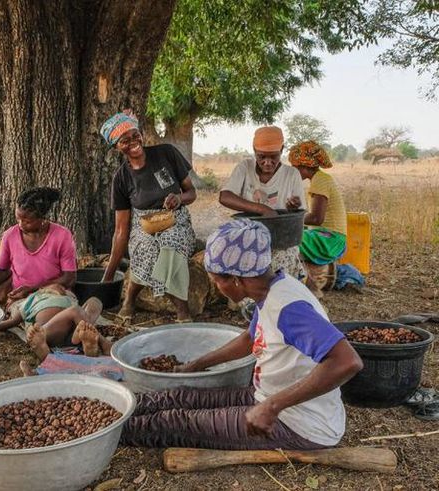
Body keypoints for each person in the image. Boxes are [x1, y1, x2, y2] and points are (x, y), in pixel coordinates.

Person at [120, 220, 363, 450]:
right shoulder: (272, 288)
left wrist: (271, 406)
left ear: (236, 279)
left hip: (300, 422)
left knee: (173, 423)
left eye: (217, 281)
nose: (217, 287)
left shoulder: (288, 308)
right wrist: (196, 365)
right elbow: (250, 339)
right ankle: (118, 407)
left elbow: (347, 361)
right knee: (176, 398)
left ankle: (106, 432)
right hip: (266, 396)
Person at [100, 110, 197, 323]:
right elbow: (121, 230)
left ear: (141, 134)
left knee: (171, 242)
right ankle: (130, 300)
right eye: (125, 140)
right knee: (145, 247)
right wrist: (107, 277)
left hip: (176, 219)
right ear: (117, 147)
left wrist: (179, 199)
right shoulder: (121, 179)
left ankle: (182, 309)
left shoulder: (166, 153)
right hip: (143, 225)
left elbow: (192, 193)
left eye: (135, 135)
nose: (133, 142)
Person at [219, 126, 306, 279]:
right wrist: (262, 209)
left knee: (278, 266)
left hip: (280, 240)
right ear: (254, 150)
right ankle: (247, 301)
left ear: (282, 149)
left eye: (273, 156)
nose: (267, 162)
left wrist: (293, 207)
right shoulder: (245, 168)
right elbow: (225, 196)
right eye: (261, 157)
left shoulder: (291, 174)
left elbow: (299, 216)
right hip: (247, 235)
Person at [0, 187, 77, 305]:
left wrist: (33, 289)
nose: (20, 224)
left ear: (43, 218)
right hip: (19, 298)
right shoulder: (10, 235)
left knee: (47, 315)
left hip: (53, 295)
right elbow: (1, 268)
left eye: (27, 221)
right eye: (18, 219)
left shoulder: (62, 236)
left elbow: (69, 279)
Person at [289, 141, 348, 297]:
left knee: (287, 239)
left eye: (294, 167)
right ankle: (310, 285)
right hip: (327, 235)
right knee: (292, 234)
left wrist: (291, 220)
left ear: (304, 166)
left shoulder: (320, 181)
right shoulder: (319, 179)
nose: (293, 172)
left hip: (331, 239)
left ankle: (308, 288)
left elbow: (316, 218)